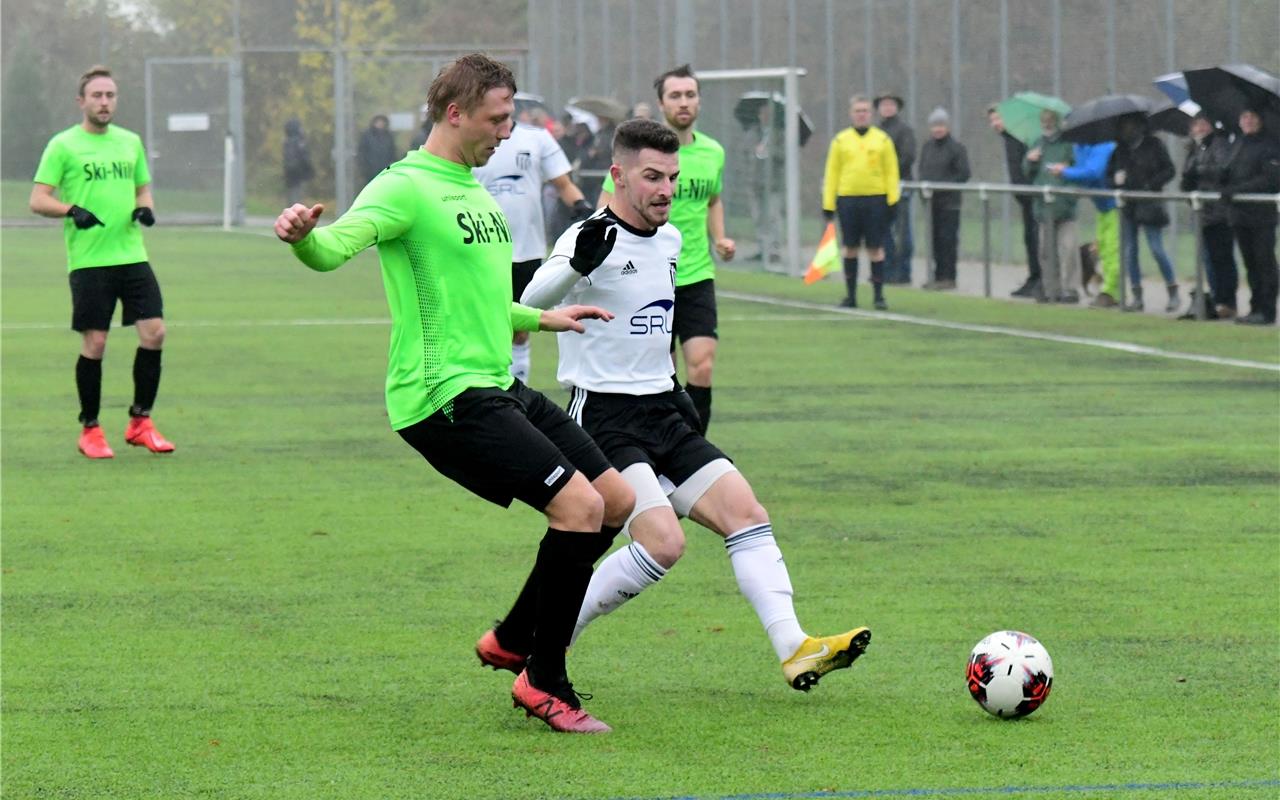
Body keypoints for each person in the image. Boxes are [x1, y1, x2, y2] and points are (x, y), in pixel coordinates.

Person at [273, 54, 635, 734]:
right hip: (442, 395)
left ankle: (510, 639)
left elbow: (482, 301)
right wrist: (302, 237)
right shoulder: (403, 187)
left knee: (615, 499)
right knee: (580, 506)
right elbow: (333, 249)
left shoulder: (477, 191)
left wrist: (544, 317)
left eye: (513, 117)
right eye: (498, 119)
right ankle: (543, 678)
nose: (509, 131)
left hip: (495, 383)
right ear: (454, 113)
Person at [520, 118, 872, 692]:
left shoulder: (672, 240)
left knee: (747, 514)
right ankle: (547, 646)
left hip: (664, 408)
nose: (665, 189)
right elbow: (529, 304)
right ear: (619, 175)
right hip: (604, 417)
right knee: (664, 541)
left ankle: (795, 647)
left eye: (673, 177)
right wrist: (575, 265)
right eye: (652, 176)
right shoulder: (587, 237)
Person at [29, 65, 175, 459]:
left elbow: (143, 188)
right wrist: (70, 209)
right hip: (90, 262)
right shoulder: (64, 145)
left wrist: (145, 209)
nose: (105, 102)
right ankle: (90, 429)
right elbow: (38, 199)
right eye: (97, 96)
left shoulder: (130, 142)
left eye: (110, 95)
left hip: (132, 256)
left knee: (155, 332)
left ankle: (140, 421)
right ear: (82, 102)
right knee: (96, 342)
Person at [597, 64, 734, 435]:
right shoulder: (641, 155)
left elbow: (714, 200)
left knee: (702, 367)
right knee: (663, 373)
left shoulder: (713, 152)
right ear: (661, 103)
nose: (684, 102)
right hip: (651, 277)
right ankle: (665, 449)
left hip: (697, 273)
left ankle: (695, 449)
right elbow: (605, 208)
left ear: (699, 101)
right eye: (675, 95)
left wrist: (719, 237)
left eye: (690, 94)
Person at [472, 93, 596, 383]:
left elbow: (563, 183)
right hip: (481, 250)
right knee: (487, 325)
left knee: (520, 328)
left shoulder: (537, 139)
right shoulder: (473, 141)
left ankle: (517, 392)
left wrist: (584, 211)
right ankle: (486, 385)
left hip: (527, 249)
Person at [822, 94, 899, 310]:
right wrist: (828, 204)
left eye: (865, 111)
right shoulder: (840, 140)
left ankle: (878, 296)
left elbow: (891, 172)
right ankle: (851, 296)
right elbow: (832, 173)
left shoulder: (882, 140)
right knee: (850, 248)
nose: (861, 115)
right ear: (851, 114)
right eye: (858, 111)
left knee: (876, 249)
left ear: (871, 114)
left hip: (876, 200)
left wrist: (893, 200)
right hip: (848, 200)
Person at [1107, 114, 1179, 313]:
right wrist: (1116, 180)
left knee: (1156, 248)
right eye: (1124, 126)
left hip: (1149, 204)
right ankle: (1137, 295)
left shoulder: (1154, 145)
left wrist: (1151, 185)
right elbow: (1109, 176)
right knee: (1130, 251)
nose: (1127, 130)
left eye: (1131, 125)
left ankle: (1173, 290)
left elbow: (1169, 170)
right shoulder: (1120, 150)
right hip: (1128, 205)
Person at [1221, 107, 1280, 326]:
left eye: (1252, 117)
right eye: (1244, 116)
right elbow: (1229, 174)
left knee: (1264, 263)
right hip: (1240, 215)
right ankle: (1255, 307)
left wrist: (1238, 190)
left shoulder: (1271, 146)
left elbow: (1270, 180)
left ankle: (1267, 310)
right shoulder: (1238, 144)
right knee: (1250, 264)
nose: (1248, 121)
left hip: (1262, 216)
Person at [1179, 112, 1237, 319]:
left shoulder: (1219, 143)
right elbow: (1187, 178)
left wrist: (1199, 170)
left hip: (1218, 213)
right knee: (1209, 259)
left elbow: (1222, 170)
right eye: (1196, 124)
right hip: (1202, 213)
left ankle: (1226, 301)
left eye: (1204, 123)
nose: (1200, 128)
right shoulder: (1195, 148)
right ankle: (1215, 297)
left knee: (1222, 259)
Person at [1048, 140, 1119, 307]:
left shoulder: (1103, 146)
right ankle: (1107, 290)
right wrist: (1065, 169)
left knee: (1113, 250)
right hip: (1102, 205)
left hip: (1115, 205)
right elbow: (1082, 172)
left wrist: (1066, 172)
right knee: (1104, 250)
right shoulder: (1079, 147)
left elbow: (1093, 172)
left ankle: (1111, 291)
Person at [1023, 109, 1080, 303]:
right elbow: (1027, 172)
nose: (1046, 124)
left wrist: (1070, 196)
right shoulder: (1037, 143)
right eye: (1043, 121)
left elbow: (1076, 172)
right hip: (1043, 207)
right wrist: (1030, 161)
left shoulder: (1068, 145)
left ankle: (1070, 289)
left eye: (1049, 121)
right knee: (1046, 252)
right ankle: (1050, 289)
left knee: (1069, 249)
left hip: (1065, 207)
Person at [987, 106, 1042, 298]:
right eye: (992, 120)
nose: (995, 123)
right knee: (1029, 238)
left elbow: (1030, 165)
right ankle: (1034, 277)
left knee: (1037, 239)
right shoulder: (1009, 139)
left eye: (998, 119)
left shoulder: (1021, 137)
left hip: (1034, 196)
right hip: (1024, 198)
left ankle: (1041, 280)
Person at [915, 107, 970, 290]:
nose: (938, 129)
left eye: (941, 125)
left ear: (947, 127)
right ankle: (937, 276)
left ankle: (949, 277)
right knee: (934, 241)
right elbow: (922, 170)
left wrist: (941, 186)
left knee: (948, 240)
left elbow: (963, 174)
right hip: (931, 203)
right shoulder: (927, 147)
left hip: (949, 204)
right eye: (934, 126)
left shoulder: (957, 148)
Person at [876, 92, 916, 284]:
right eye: (884, 104)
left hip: (900, 187)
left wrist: (889, 173)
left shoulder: (904, 130)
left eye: (891, 104)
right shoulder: (874, 132)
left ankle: (903, 272)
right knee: (883, 231)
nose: (887, 108)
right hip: (879, 189)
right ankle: (886, 269)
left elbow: (907, 157)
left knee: (902, 231)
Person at [356, 114, 398, 187]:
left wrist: (391, 166)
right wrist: (364, 168)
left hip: (385, 170)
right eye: (378, 122)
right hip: (370, 171)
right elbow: (362, 152)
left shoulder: (388, 136)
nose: (380, 124)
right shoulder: (367, 135)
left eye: (382, 122)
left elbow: (392, 152)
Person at [282, 117, 314, 206]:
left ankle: (292, 211)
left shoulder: (286, 142)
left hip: (289, 173)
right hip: (299, 173)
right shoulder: (300, 141)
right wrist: (310, 171)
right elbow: (305, 158)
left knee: (292, 194)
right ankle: (298, 213)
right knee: (298, 195)